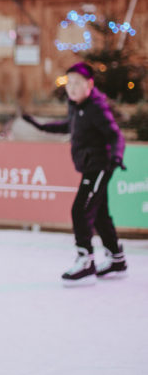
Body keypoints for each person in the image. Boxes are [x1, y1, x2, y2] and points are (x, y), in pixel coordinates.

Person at [22, 61, 127, 284]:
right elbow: (69, 125)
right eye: (69, 83)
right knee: (99, 213)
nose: (71, 88)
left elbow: (115, 135)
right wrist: (40, 125)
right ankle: (116, 259)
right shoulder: (77, 105)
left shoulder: (96, 107)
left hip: (100, 165)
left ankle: (85, 261)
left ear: (89, 84)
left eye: (77, 83)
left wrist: (117, 157)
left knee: (81, 210)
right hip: (90, 165)